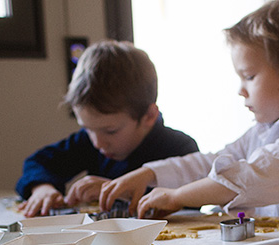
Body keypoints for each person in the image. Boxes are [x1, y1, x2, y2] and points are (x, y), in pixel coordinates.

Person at [98, 0, 279, 224]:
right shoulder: (263, 131)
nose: (241, 90)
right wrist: (149, 173)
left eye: (249, 76)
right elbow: (212, 162)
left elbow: (253, 177)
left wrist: (177, 197)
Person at [15, 40, 199, 217]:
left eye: (110, 131)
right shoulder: (89, 141)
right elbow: (37, 162)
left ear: (148, 117)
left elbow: (190, 200)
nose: (98, 142)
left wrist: (119, 191)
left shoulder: (180, 148)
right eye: (87, 129)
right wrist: (42, 188)